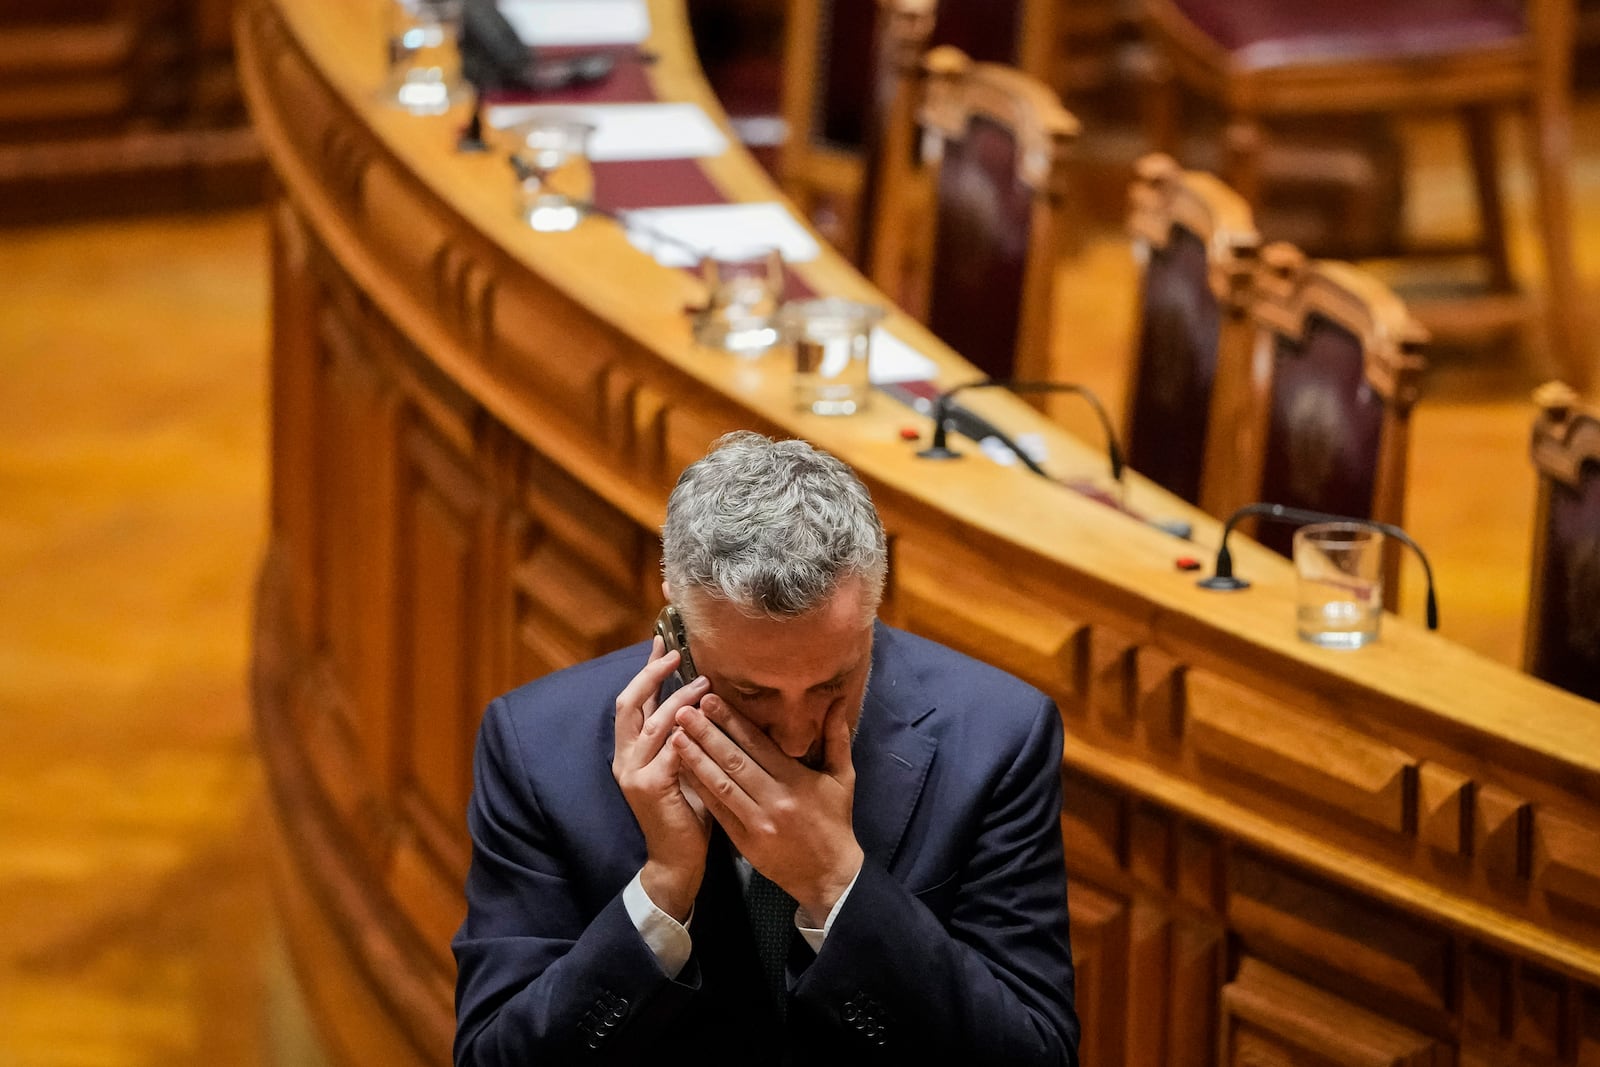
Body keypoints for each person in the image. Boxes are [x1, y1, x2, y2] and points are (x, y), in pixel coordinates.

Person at [452, 431, 1079, 1065]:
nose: (799, 732)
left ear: (872, 610)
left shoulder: (1000, 737)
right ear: (677, 628)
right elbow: (491, 1055)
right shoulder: (535, 745)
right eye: (751, 693)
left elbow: (1038, 1052)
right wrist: (663, 889)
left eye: (833, 683)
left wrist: (836, 883)